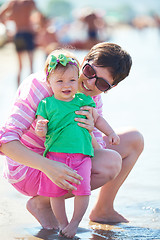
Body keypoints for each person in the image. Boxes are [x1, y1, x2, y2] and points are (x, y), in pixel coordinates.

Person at [0, 42, 144, 231]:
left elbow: (95, 153)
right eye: (90, 71)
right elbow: (5, 141)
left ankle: (103, 209)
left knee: (133, 140)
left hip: (66, 158)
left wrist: (90, 131)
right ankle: (42, 203)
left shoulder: (92, 98)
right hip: (29, 167)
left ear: (112, 87)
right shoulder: (40, 86)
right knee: (111, 162)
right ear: (84, 61)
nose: (90, 83)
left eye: (101, 83)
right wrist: (49, 166)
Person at [34, 50, 120, 238]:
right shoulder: (46, 104)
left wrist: (111, 132)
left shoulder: (85, 100)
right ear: (49, 82)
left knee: (83, 191)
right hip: (55, 157)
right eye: (60, 81)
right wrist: (40, 128)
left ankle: (75, 222)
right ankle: (63, 224)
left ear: (77, 79)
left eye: (72, 80)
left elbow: (98, 120)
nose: (67, 85)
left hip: (81, 156)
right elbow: (40, 129)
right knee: (56, 194)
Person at [0, 0, 40, 86]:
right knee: (31, 65)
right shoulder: (29, 2)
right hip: (28, 33)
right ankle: (32, 89)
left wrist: (7, 28)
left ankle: (17, 91)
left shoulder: (12, 3)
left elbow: (1, 14)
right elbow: (39, 15)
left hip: (18, 34)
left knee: (20, 66)